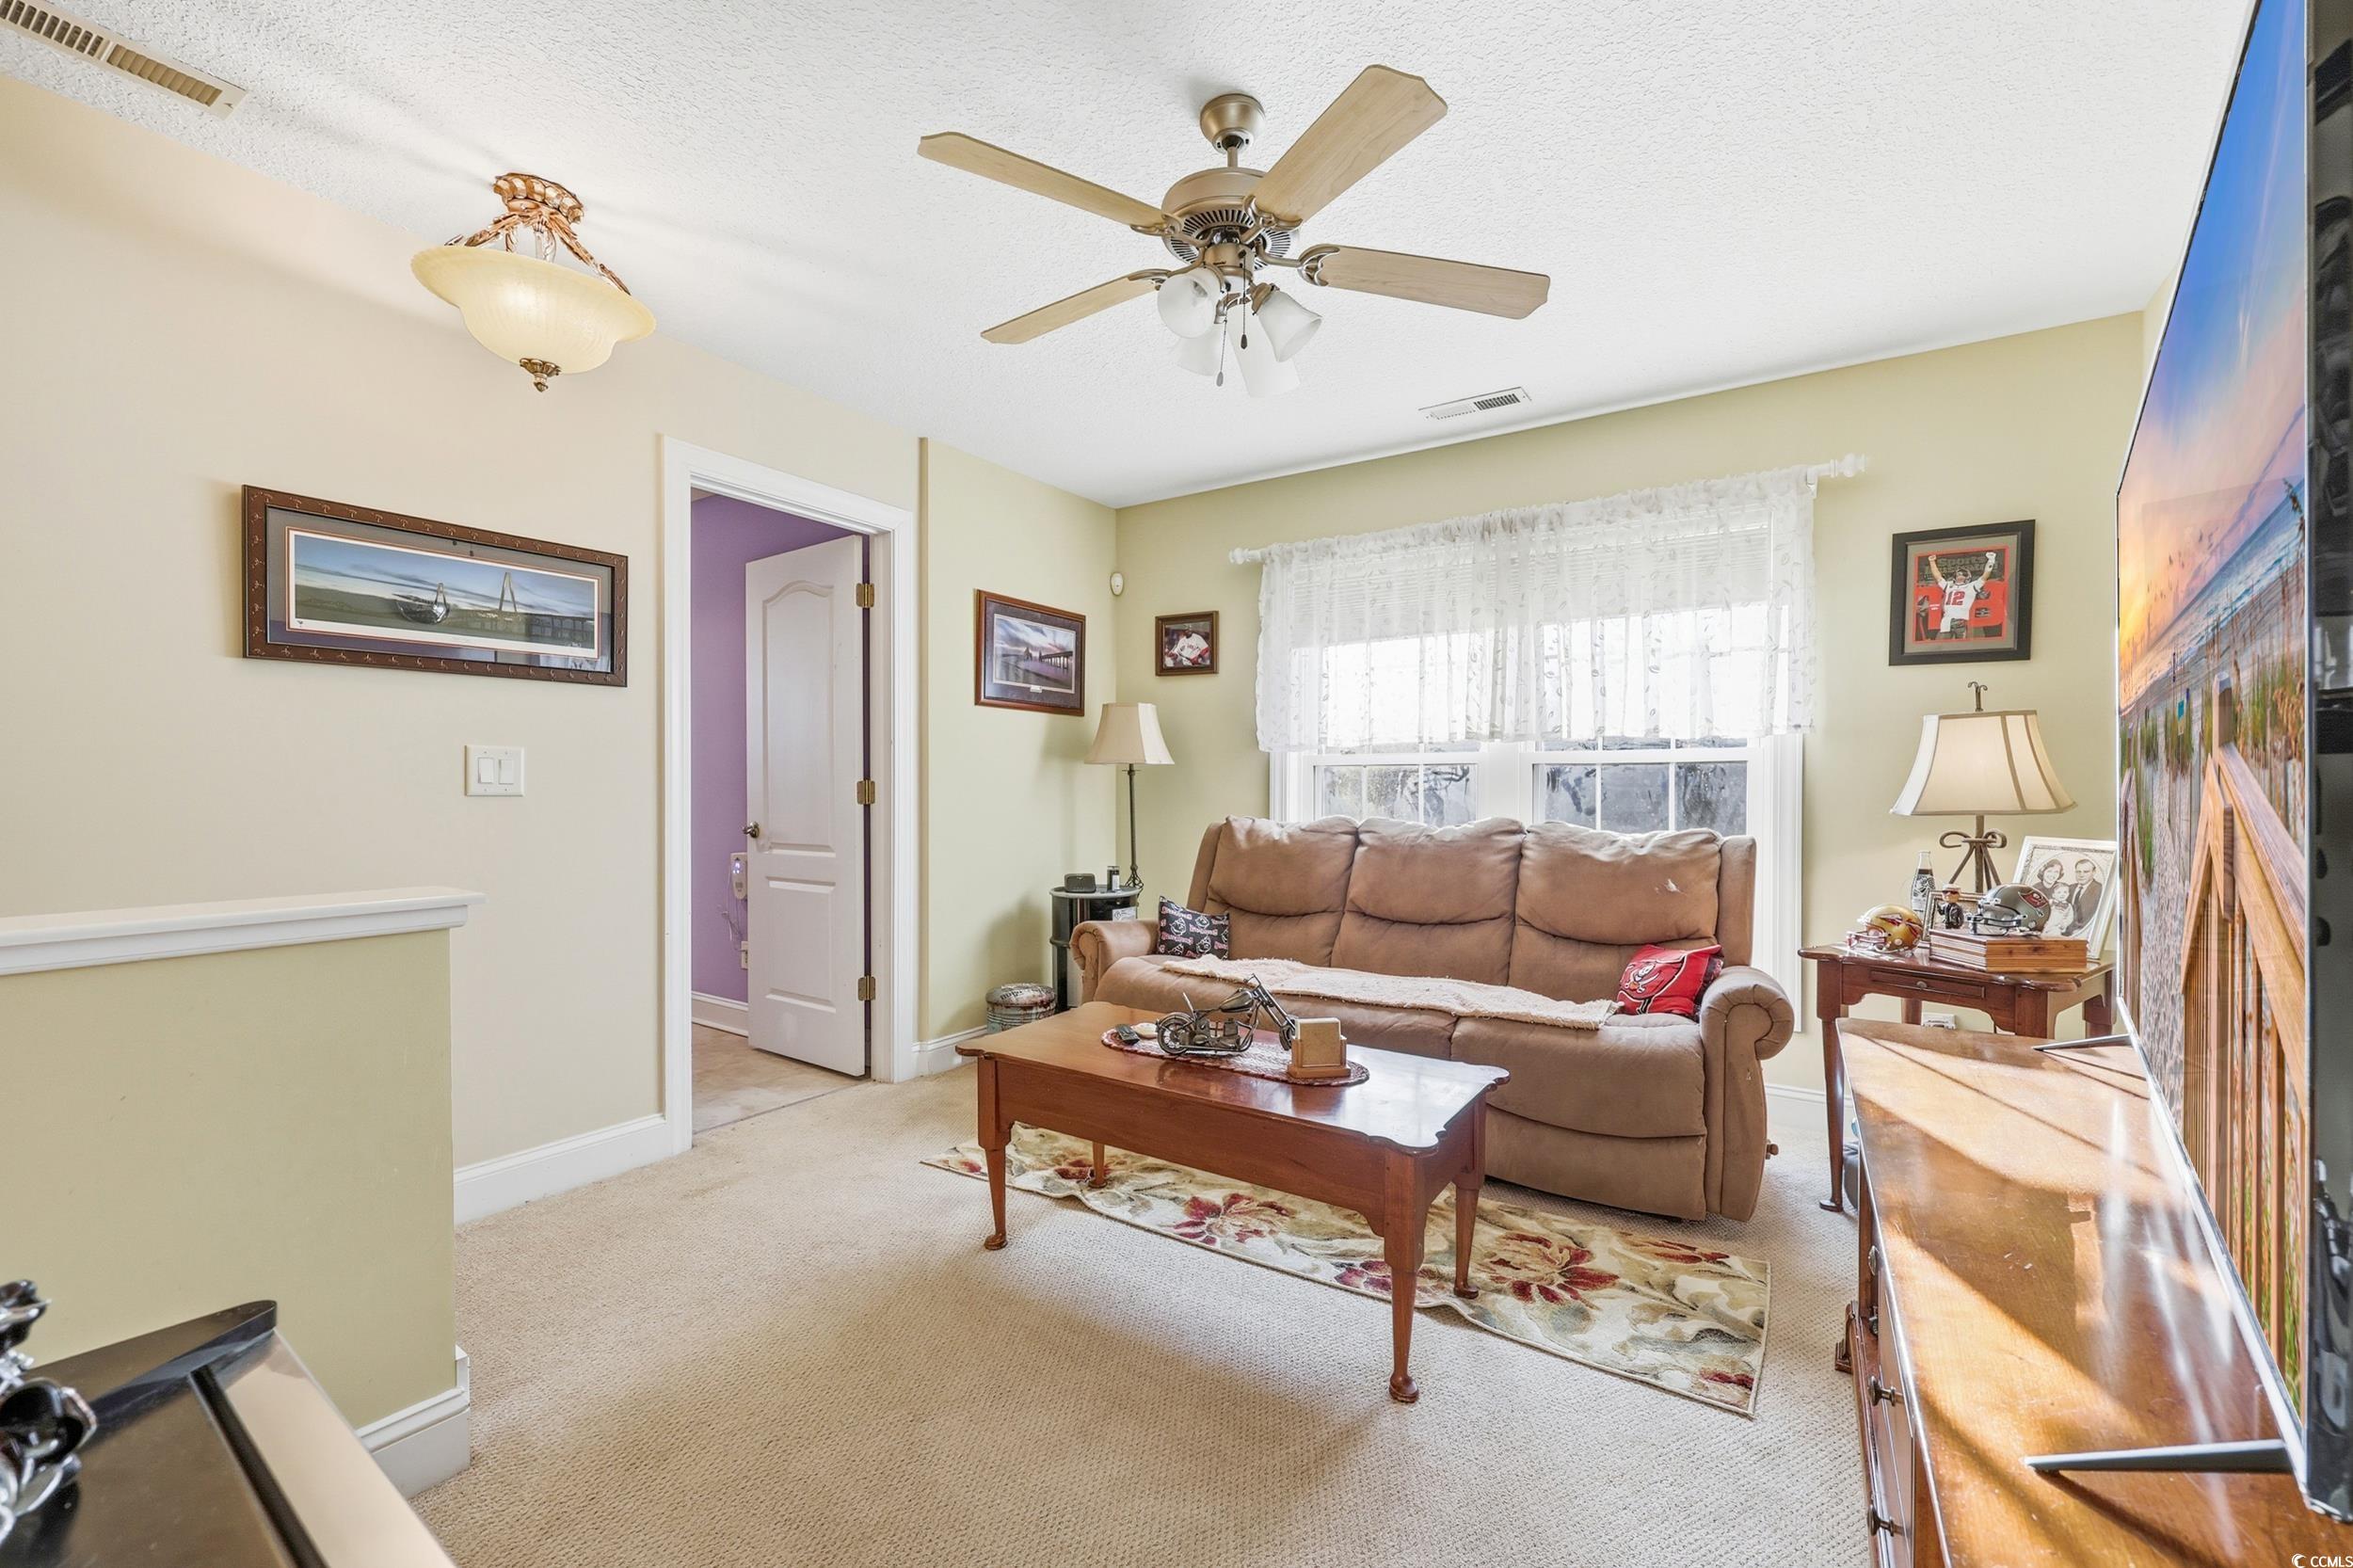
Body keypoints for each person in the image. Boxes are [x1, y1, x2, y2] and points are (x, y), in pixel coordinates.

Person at [2064, 856, 2105, 938]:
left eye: (2086, 872)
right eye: (2078, 872)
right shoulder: (2069, 888)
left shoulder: (2101, 890)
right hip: (2064, 934)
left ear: (2094, 872)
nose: (2081, 875)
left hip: (2086, 936)